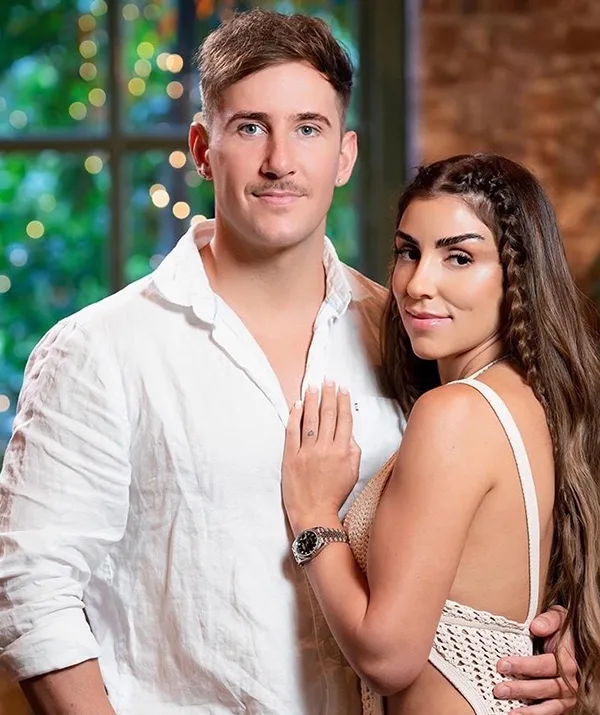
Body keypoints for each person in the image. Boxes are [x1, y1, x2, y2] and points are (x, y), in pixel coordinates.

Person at [0, 10, 576, 715]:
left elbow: (507, 506)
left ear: (344, 155)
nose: (280, 160)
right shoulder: (99, 350)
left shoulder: (409, 333)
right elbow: (31, 593)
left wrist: (558, 632)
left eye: (308, 128)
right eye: (250, 128)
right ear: (202, 149)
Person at [282, 153, 600, 714]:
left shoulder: (455, 413)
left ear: (516, 275)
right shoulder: (529, 401)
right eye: (409, 252)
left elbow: (387, 657)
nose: (417, 284)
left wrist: (313, 517)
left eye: (459, 257)